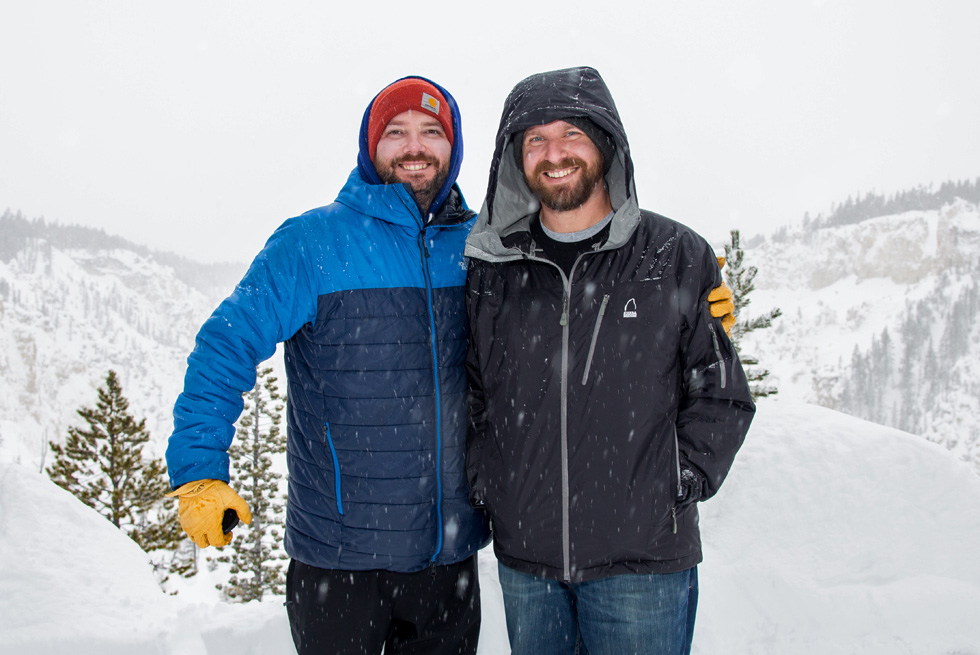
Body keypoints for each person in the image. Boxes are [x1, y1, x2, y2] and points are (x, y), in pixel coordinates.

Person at [165, 76, 492, 655]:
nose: (414, 146)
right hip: (339, 567)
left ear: (454, 145)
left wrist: (699, 309)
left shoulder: (480, 243)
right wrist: (200, 471)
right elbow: (226, 345)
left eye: (431, 132)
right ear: (370, 146)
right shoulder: (311, 244)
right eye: (396, 132)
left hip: (449, 561)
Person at [464, 66, 756, 655]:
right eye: (535, 140)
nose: (554, 154)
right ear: (515, 160)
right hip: (529, 564)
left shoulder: (674, 255)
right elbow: (473, 392)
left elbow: (720, 393)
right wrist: (489, 484)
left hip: (641, 566)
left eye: (571, 134)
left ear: (605, 144)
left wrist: (675, 482)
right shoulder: (494, 271)